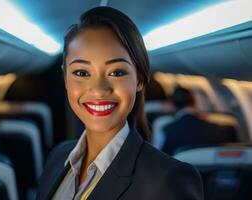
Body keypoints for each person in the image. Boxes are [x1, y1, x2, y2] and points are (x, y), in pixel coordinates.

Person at [37, 7, 203, 200]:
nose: (98, 90)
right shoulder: (58, 157)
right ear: (65, 78)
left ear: (139, 80)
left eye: (116, 72)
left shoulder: (167, 179)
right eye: (81, 73)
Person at [161, 86, 238, 155]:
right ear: (194, 101)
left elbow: (161, 160)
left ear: (173, 105)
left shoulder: (167, 131)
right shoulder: (224, 131)